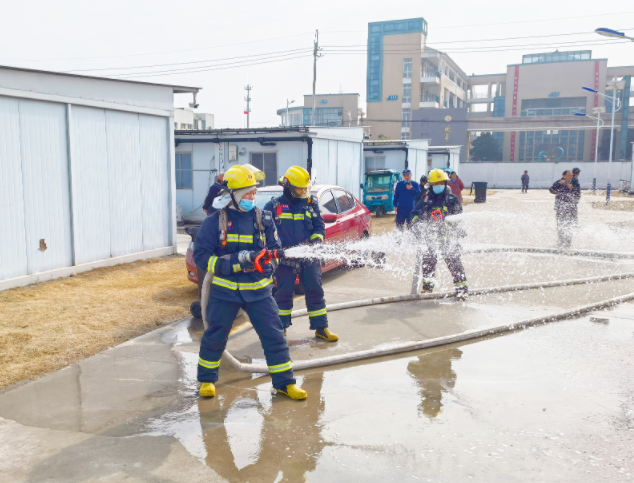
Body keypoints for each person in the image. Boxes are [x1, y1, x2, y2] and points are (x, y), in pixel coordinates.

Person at [194, 165, 307, 400]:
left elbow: (274, 250)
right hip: (225, 292)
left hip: (258, 292)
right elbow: (202, 257)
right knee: (215, 336)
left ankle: (285, 383)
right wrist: (235, 262)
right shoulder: (216, 221)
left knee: (274, 336)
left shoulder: (264, 219)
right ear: (233, 196)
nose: (251, 198)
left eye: (254, 193)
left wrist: (268, 263)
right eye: (247, 194)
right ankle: (206, 381)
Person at [264, 166, 338, 342]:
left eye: (306, 188)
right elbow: (265, 230)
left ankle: (321, 328)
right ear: (288, 187)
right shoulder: (274, 206)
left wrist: (316, 241)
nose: (303, 192)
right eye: (299, 189)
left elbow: (319, 226)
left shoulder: (311, 204)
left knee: (315, 290)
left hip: (308, 256)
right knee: (283, 293)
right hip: (284, 259)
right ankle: (280, 329)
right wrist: (275, 250)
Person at [411, 168, 468, 300]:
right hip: (430, 239)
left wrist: (444, 221)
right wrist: (420, 224)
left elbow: (458, 217)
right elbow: (414, 215)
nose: (438, 186)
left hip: (449, 239)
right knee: (428, 264)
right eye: (436, 184)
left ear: (445, 183)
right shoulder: (425, 200)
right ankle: (427, 289)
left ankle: (462, 290)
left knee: (455, 264)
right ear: (431, 185)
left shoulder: (452, 199)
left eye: (441, 183)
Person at [549, 170, 577, 249]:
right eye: (570, 175)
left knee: (569, 225)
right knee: (560, 225)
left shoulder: (574, 183)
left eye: (572, 175)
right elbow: (551, 190)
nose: (571, 177)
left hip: (570, 208)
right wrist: (559, 185)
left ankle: (568, 243)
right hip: (560, 208)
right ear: (564, 175)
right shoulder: (559, 182)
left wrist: (571, 189)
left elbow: (577, 194)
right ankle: (560, 241)